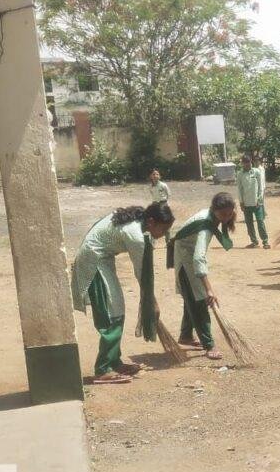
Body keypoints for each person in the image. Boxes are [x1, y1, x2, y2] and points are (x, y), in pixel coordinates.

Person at [72, 202, 176, 384]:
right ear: (151, 222)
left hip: (102, 261)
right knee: (112, 312)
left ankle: (114, 362)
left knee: (116, 307)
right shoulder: (134, 234)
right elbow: (142, 274)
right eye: (164, 228)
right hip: (93, 263)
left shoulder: (138, 222)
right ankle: (103, 369)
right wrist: (152, 302)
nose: (164, 234)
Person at [169, 192, 237, 361]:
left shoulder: (214, 216)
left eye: (229, 213)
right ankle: (209, 344)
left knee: (191, 296)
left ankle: (186, 335)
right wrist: (209, 290)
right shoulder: (205, 226)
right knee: (199, 299)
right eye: (223, 214)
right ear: (214, 210)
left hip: (189, 252)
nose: (226, 217)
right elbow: (198, 258)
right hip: (186, 255)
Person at [236, 154, 269, 249]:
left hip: (257, 203)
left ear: (251, 162)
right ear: (242, 164)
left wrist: (259, 199)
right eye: (245, 163)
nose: (248, 165)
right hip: (246, 203)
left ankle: (265, 241)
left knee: (260, 222)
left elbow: (261, 187)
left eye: (249, 162)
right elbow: (239, 189)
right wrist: (241, 202)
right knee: (249, 223)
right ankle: (254, 241)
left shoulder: (256, 172)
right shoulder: (240, 174)